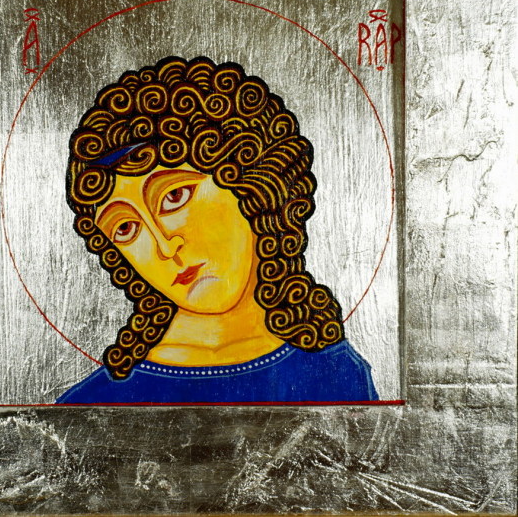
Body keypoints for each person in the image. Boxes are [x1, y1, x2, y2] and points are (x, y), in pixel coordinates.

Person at [56, 56, 377, 403]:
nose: (165, 247)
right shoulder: (91, 403)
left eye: (174, 197)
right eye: (126, 229)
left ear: (251, 183)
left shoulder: (338, 376)